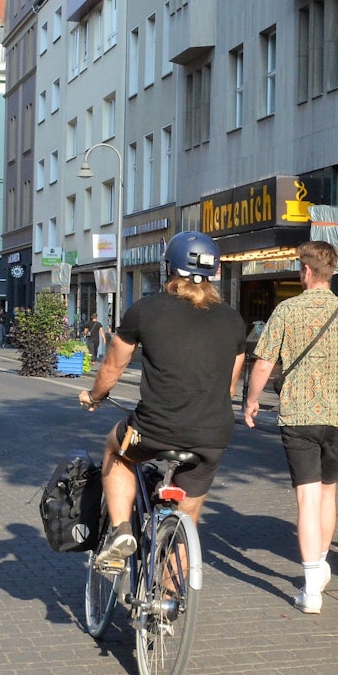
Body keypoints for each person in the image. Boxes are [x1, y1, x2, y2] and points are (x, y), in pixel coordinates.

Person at [79, 231, 246, 574]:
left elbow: (113, 365)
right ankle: (167, 607)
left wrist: (96, 396)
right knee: (188, 518)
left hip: (154, 430)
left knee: (116, 451)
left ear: (169, 268)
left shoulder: (145, 310)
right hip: (211, 436)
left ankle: (122, 530)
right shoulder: (232, 320)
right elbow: (230, 386)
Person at [242, 241, 338, 614]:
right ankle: (320, 563)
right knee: (328, 494)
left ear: (307, 271)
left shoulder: (286, 310)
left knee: (306, 498)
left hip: (299, 415)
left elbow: (265, 363)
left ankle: (312, 585)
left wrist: (251, 400)